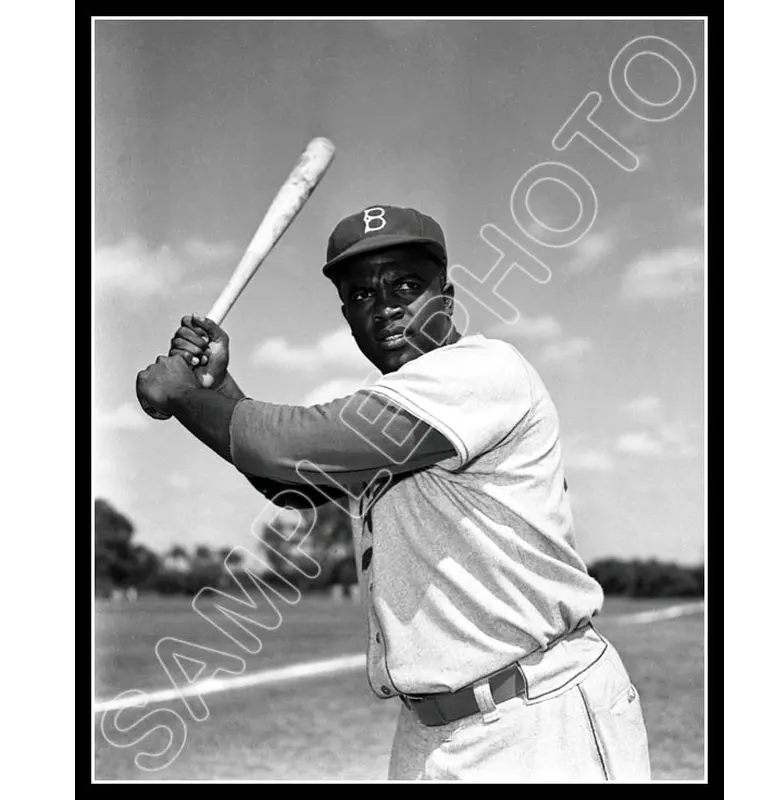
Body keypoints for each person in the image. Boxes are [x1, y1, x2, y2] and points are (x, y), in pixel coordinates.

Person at [136, 204, 651, 781]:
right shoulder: (390, 413)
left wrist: (184, 397)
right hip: (431, 733)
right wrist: (215, 387)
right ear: (347, 318)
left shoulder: (482, 371)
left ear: (447, 297)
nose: (385, 307)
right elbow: (294, 486)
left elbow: (299, 444)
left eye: (406, 284)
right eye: (361, 295)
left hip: (539, 719)